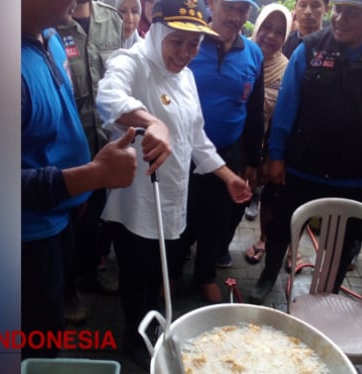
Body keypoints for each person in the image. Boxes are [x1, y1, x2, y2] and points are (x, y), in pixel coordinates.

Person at [94, 0, 252, 367]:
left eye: (194, 44)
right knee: (136, 275)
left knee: (160, 273)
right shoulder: (132, 62)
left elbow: (197, 138)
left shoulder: (187, 76)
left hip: (173, 196)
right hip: (137, 199)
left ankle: (157, 328)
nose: (185, 53)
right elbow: (109, 97)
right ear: (159, 32)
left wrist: (228, 176)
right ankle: (134, 339)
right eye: (177, 41)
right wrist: (153, 122)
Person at [247, 0, 362, 304]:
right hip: (300, 166)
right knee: (282, 228)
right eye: (337, 9)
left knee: (343, 243)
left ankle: (326, 293)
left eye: (352, 12)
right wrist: (277, 155)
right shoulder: (309, 49)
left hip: (353, 175)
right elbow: (286, 106)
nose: (340, 18)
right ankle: (268, 275)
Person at [21, 0, 139, 360]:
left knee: (52, 319)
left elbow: (64, 118)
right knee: (35, 337)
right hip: (27, 237)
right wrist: (90, 175)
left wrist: (82, 184)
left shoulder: (51, 38)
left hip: (60, 215)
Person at [178, 0, 264, 302]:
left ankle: (204, 276)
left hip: (229, 153)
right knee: (181, 214)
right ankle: (173, 272)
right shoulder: (188, 44)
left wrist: (254, 159)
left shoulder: (252, 53)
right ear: (211, 4)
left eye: (243, 10)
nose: (236, 16)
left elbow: (254, 110)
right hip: (183, 152)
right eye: (230, 6)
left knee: (217, 218)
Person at [56, 0, 123, 325]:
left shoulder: (112, 18)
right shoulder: (49, 20)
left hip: (105, 144)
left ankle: (87, 276)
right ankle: (65, 292)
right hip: (69, 148)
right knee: (66, 224)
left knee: (93, 219)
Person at [243, 4, 292, 264]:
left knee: (239, 200)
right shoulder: (239, 53)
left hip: (261, 148)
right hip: (228, 144)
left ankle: (219, 247)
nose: (271, 36)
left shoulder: (287, 69)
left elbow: (283, 116)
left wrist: (267, 156)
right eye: (266, 28)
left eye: (279, 31)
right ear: (257, 25)